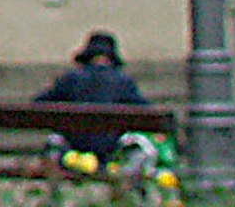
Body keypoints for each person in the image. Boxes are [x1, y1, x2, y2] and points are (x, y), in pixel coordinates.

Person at [34, 30, 151, 162]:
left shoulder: (69, 79)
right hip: (109, 151)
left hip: (73, 152)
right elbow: (147, 112)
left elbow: (38, 105)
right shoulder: (124, 82)